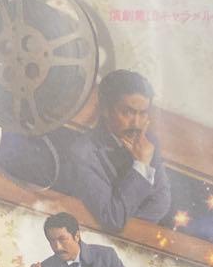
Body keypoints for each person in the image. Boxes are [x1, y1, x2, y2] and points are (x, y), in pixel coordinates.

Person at [61, 69, 172, 230]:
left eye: (143, 114)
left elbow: (161, 203)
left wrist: (124, 216)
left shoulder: (149, 143)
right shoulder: (82, 152)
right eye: (128, 112)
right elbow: (112, 217)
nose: (136, 123)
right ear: (105, 110)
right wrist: (142, 166)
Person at [27, 211, 133, 267]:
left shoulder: (107, 256)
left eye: (62, 239)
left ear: (77, 236)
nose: (57, 247)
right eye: (52, 241)